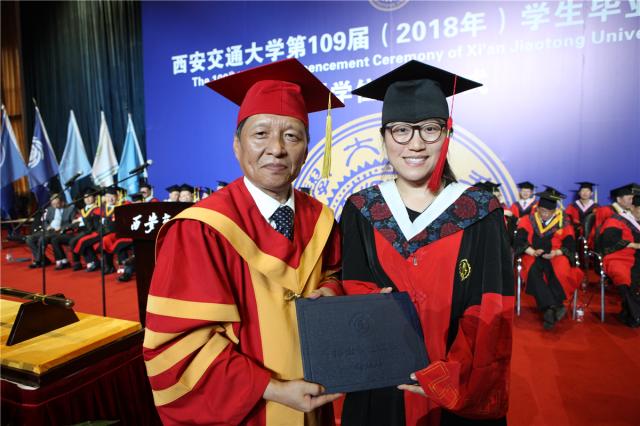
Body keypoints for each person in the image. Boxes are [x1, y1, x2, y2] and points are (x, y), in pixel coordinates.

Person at [143, 58, 345, 425]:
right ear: (237, 145)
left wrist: (331, 290)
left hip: (317, 401)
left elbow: (335, 273)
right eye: (261, 134)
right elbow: (180, 343)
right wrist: (273, 388)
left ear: (306, 148)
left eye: (292, 136)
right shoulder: (200, 230)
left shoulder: (322, 219)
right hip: (247, 410)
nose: (277, 148)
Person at [341, 60, 514, 425]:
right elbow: (353, 286)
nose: (416, 143)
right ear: (384, 137)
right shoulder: (361, 209)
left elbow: (490, 308)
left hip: (456, 385)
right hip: (382, 382)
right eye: (401, 130)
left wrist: (450, 375)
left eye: (430, 129)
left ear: (447, 134)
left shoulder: (480, 210)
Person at [514, 187, 583, 330]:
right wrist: (532, 251)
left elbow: (570, 243)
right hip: (533, 254)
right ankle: (553, 306)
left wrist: (556, 252)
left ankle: (549, 309)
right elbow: (519, 240)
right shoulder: (528, 219)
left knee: (561, 271)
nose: (545, 214)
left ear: (555, 211)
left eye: (549, 212)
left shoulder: (563, 221)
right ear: (538, 208)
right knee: (532, 272)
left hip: (555, 255)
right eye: (542, 211)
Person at [600, 195, 640, 327]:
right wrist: (634, 245)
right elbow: (608, 241)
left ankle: (629, 313)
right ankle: (635, 314)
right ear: (632, 207)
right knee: (623, 275)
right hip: (619, 256)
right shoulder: (616, 220)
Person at [51, 187, 97, 270]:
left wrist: (79, 221)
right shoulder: (83, 209)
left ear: (95, 197)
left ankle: (80, 262)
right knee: (56, 239)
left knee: (75, 241)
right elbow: (74, 223)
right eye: (85, 197)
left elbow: (90, 223)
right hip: (78, 231)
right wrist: (74, 224)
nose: (87, 199)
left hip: (90, 231)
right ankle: (64, 261)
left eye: (89, 197)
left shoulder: (97, 208)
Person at [26, 193, 76, 268]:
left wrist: (61, 228)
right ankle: (43, 260)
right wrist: (47, 226)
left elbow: (73, 223)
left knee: (43, 239)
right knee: (29, 239)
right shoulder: (50, 209)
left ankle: (38, 261)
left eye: (57, 204)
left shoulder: (70, 209)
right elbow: (45, 221)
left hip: (59, 231)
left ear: (62, 202)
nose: (55, 206)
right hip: (49, 230)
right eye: (53, 204)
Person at [593, 183, 638, 250]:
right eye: (629, 199)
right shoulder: (605, 210)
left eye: (632, 199)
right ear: (619, 199)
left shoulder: (628, 213)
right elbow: (598, 232)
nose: (631, 201)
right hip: (612, 246)